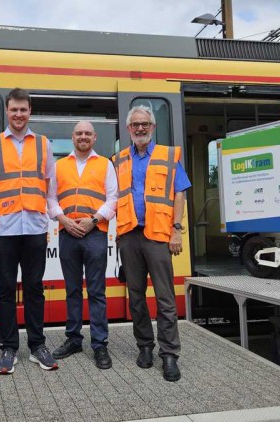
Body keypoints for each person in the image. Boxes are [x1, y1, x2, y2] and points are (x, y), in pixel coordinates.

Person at [0, 88, 58, 374]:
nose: (18, 114)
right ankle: (8, 347)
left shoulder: (43, 144)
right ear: (7, 111)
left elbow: (49, 185)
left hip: (35, 226)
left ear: (30, 111)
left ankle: (37, 345)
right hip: (3, 227)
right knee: (4, 289)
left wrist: (53, 217)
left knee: (35, 287)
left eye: (23, 109)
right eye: (13, 109)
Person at [113, 105, 191, 382]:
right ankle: (145, 346)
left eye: (145, 123)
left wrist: (177, 230)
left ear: (153, 127)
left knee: (165, 298)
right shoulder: (119, 159)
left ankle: (169, 354)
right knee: (136, 297)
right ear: (128, 129)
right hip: (130, 236)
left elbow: (180, 193)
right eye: (135, 124)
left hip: (158, 235)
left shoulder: (169, 156)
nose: (140, 128)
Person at [48, 121, 117, 369]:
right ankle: (74, 340)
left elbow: (113, 198)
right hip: (67, 233)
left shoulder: (105, 164)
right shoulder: (59, 166)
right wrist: (64, 220)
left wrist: (94, 220)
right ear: (73, 137)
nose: (83, 137)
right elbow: (51, 199)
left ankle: (99, 345)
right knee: (72, 290)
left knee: (97, 292)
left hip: (95, 233)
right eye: (79, 133)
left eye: (88, 133)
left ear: (95, 138)